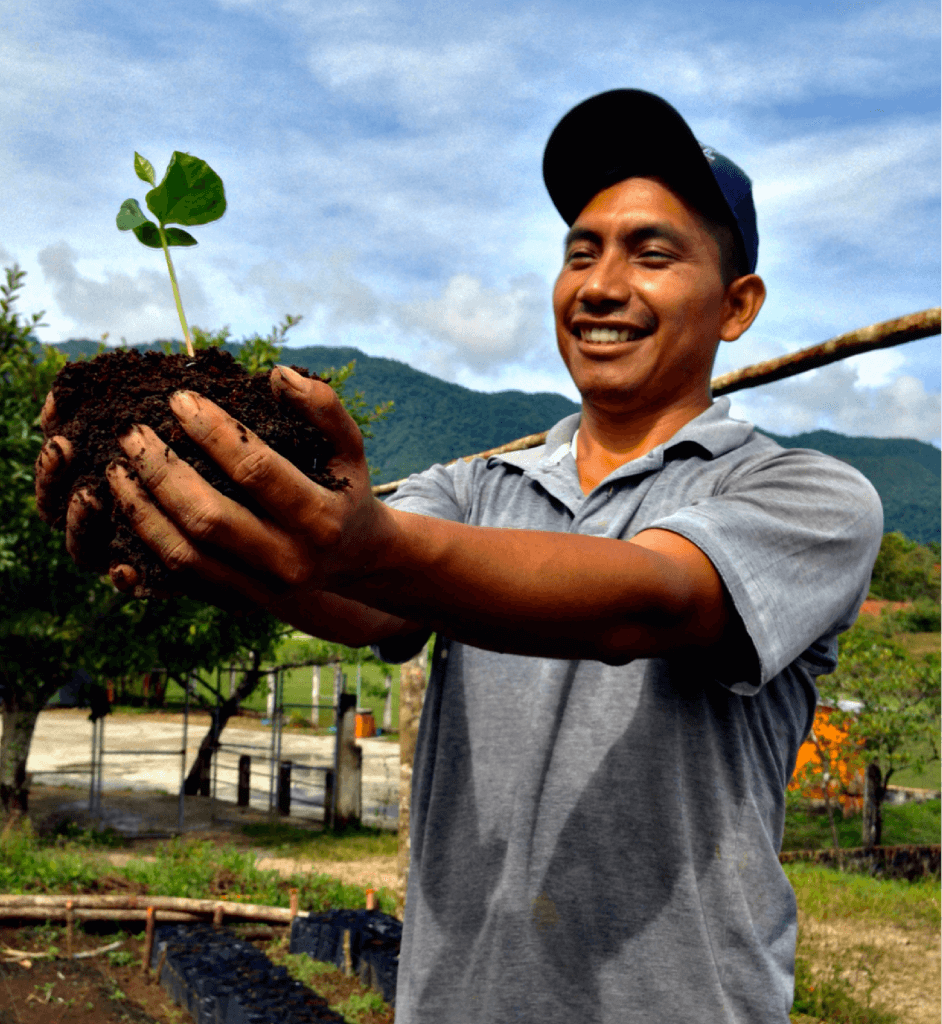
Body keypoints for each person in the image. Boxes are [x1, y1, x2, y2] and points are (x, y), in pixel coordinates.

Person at [36, 89, 883, 1022]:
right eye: (580, 252)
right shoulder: (476, 487)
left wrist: (364, 543)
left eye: (652, 254)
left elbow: (651, 600)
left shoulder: (807, 496)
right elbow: (369, 596)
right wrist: (211, 544)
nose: (601, 285)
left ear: (737, 305)